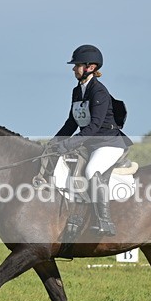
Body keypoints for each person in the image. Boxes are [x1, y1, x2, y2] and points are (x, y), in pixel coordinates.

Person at [47, 44, 132, 236]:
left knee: (92, 169)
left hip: (108, 143)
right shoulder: (77, 91)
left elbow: (93, 127)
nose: (73, 68)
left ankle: (105, 222)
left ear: (90, 67)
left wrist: (69, 144)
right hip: (89, 143)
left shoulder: (99, 92)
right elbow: (71, 123)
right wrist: (53, 143)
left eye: (77, 65)